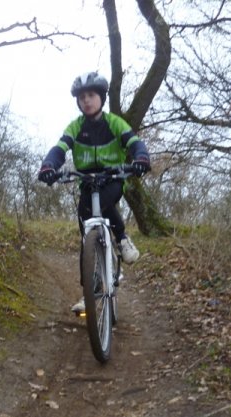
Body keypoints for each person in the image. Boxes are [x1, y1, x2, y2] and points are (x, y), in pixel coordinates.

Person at [38, 72, 151, 312]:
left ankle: (121, 239)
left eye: (91, 95)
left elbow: (134, 142)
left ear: (101, 97)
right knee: (86, 236)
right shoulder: (76, 126)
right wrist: (49, 166)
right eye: (81, 97)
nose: (86, 100)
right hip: (87, 181)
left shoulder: (114, 122)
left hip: (113, 177)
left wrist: (141, 158)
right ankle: (89, 291)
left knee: (107, 202)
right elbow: (60, 148)